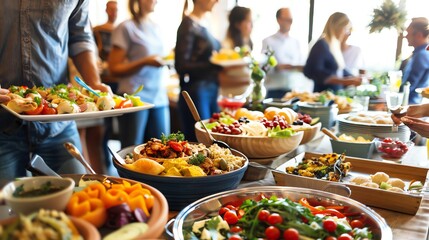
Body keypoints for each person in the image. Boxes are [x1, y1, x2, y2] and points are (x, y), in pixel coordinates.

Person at [0, 0, 111, 180]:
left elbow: (80, 36)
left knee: (78, 197)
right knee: (6, 206)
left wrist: (94, 82)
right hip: (2, 125)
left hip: (58, 126)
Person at [109, 0, 170, 148]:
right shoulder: (126, 27)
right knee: (131, 150)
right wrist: (145, 62)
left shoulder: (157, 27)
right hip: (135, 98)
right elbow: (114, 68)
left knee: (164, 148)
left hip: (159, 97)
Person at [175, 0, 221, 141]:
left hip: (210, 88)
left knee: (212, 137)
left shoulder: (205, 23)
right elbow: (181, 65)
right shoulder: (188, 25)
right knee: (202, 139)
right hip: (197, 91)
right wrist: (213, 65)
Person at [304, 12, 362, 93]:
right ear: (338, 27)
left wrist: (356, 78)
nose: (347, 33)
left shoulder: (333, 45)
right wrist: (345, 81)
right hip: (323, 99)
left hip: (334, 96)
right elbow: (314, 72)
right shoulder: (321, 45)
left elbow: (340, 70)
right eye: (346, 29)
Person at [262, 8, 305, 98]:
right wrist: (276, 68)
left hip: (293, 90)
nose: (290, 22)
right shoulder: (268, 41)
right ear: (279, 20)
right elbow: (264, 67)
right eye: (287, 19)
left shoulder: (296, 42)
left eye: (291, 20)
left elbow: (301, 62)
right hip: (274, 90)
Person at [218, 6, 253, 97]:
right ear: (237, 24)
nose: (251, 25)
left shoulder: (246, 45)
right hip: (229, 98)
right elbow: (220, 78)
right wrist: (247, 81)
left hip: (244, 96)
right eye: (248, 21)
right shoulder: (225, 46)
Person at [401, 17, 429, 104]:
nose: (405, 36)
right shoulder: (419, 53)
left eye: (408, 33)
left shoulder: (421, 55)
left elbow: (409, 85)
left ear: (419, 35)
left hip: (410, 105)